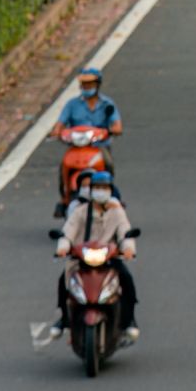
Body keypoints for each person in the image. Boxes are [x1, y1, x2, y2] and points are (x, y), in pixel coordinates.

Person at [52, 171, 139, 345]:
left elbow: (124, 232)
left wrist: (128, 249)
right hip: (81, 260)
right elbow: (68, 231)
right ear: (91, 191)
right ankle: (64, 319)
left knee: (127, 280)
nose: (101, 191)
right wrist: (63, 247)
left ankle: (129, 320)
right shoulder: (80, 212)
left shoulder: (117, 212)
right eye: (97, 188)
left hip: (109, 260)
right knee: (64, 282)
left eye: (104, 188)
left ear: (110, 190)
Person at [50, 69, 122, 200]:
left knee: (108, 164)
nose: (87, 87)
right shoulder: (72, 104)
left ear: (97, 84)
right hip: (77, 146)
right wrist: (57, 131)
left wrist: (111, 131)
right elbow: (60, 123)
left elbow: (117, 125)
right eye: (84, 84)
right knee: (63, 167)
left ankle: (111, 194)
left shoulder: (107, 104)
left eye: (90, 84)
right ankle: (64, 198)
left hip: (99, 146)